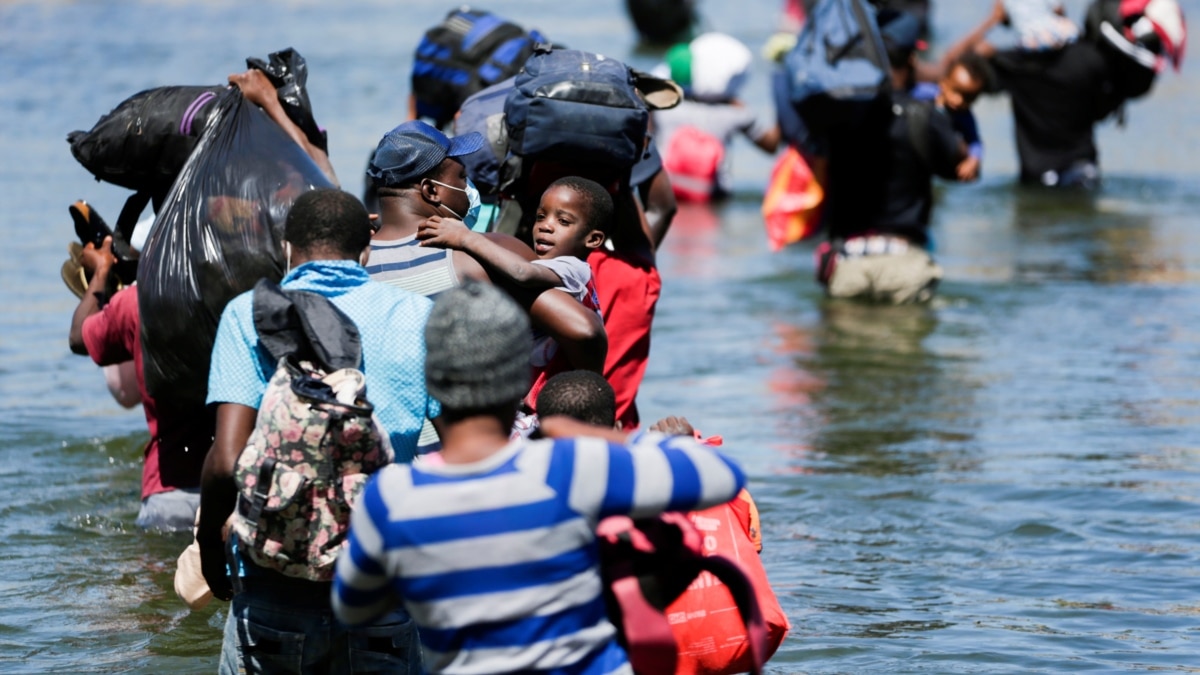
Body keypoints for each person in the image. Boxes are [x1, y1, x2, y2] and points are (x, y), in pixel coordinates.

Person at [331, 280, 746, 674]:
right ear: (519, 382)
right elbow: (721, 475)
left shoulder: (391, 496)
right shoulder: (566, 467)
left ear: (431, 382)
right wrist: (589, 433)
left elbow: (354, 607)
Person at [199, 189, 434, 673]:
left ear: (287, 248)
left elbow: (226, 461)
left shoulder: (248, 313)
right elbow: (462, 447)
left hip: (275, 583)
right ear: (366, 249)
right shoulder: (416, 315)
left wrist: (210, 552)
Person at [364, 121, 608, 380]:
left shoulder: (355, 259)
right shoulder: (485, 254)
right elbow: (585, 332)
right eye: (462, 177)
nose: (469, 188)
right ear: (431, 191)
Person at [794, 9, 968, 304]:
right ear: (912, 60)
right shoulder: (925, 117)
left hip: (847, 263)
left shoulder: (840, 115)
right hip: (904, 263)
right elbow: (960, 170)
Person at [420, 176, 611, 410]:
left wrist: (466, 238)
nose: (546, 226)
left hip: (554, 396)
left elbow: (522, 272)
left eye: (563, 221)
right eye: (541, 216)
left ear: (593, 239)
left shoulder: (573, 267)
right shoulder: (558, 268)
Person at [68, 234, 215, 532]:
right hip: (233, 486)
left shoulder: (135, 300)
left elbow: (78, 337)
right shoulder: (240, 291)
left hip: (167, 495)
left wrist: (101, 272)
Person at [652, 32, 781, 200]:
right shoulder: (735, 114)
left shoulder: (661, 106)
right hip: (713, 195)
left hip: (667, 188)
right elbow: (771, 145)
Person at [912, 52, 989, 182]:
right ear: (944, 83)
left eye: (968, 98)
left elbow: (974, 141)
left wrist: (973, 160)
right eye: (955, 92)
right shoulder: (925, 94)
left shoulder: (964, 115)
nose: (959, 100)